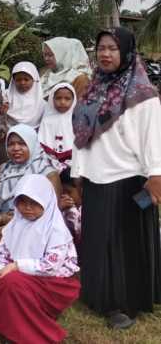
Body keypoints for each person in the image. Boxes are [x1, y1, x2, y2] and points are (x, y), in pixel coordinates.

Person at [71, 27, 161, 329]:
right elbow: (81, 136)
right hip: (96, 178)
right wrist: (78, 173)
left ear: (126, 52)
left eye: (112, 48)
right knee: (98, 241)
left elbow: (153, 137)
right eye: (101, 48)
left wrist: (156, 174)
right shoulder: (91, 90)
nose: (106, 54)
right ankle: (97, 295)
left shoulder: (143, 94)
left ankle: (123, 305)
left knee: (123, 245)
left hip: (129, 178)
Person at [0, 174, 80, 344]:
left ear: (46, 202)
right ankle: (12, 321)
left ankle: (27, 332)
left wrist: (17, 266)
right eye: (22, 202)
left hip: (54, 283)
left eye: (34, 203)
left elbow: (50, 266)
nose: (27, 208)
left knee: (12, 283)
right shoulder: (14, 225)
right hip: (24, 277)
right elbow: (3, 253)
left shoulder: (56, 229)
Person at [0, 124, 59, 246]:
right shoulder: (3, 169)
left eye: (22, 144)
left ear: (32, 143)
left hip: (34, 230)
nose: (16, 148)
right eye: (11, 144)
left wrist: (10, 220)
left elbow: (50, 211)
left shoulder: (47, 172)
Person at [38, 82, 76, 171]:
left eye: (67, 99)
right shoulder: (47, 120)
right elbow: (42, 142)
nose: (62, 102)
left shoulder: (76, 119)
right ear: (52, 99)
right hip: (50, 160)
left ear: (73, 100)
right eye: (58, 98)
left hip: (73, 160)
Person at [4, 61, 44, 128]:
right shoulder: (5, 97)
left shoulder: (42, 104)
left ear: (34, 80)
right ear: (13, 81)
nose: (22, 83)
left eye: (26, 79)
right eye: (18, 80)